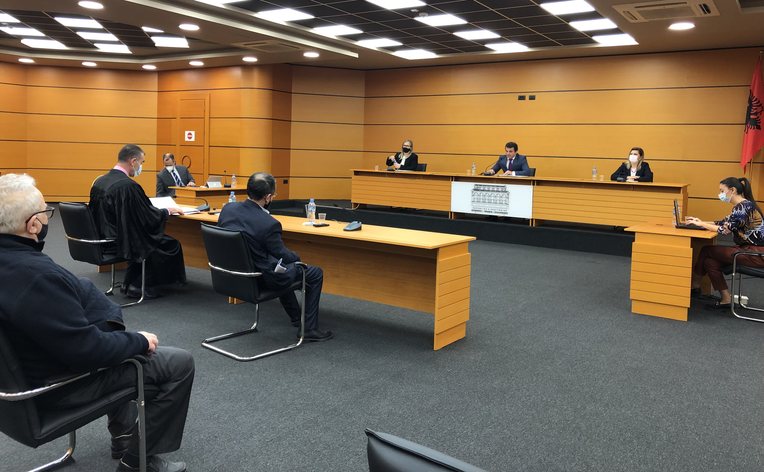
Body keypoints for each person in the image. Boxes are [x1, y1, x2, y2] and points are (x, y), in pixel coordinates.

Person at [0, 174, 194, 472]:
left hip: (20, 378)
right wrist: (139, 341)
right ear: (34, 224)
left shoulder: (19, 268)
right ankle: (135, 463)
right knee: (177, 364)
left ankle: (125, 435)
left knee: (113, 335)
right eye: (46, 211)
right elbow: (88, 351)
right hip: (52, 388)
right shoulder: (37, 277)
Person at [218, 172, 333, 342]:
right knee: (313, 272)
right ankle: (309, 329)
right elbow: (285, 255)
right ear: (268, 197)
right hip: (259, 279)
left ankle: (297, 318)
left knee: (278, 266)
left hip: (232, 276)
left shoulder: (228, 209)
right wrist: (297, 256)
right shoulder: (268, 223)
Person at [89, 144, 186, 298]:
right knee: (169, 244)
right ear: (133, 161)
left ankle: (131, 283)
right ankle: (141, 285)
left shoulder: (100, 181)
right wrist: (166, 211)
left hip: (102, 237)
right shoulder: (128, 186)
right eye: (141, 162)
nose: (141, 166)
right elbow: (146, 217)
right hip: (119, 240)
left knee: (144, 238)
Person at [686, 177, 764, 308]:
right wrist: (699, 221)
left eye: (722, 191)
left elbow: (724, 230)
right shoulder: (743, 206)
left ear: (732, 190)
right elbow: (722, 223)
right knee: (709, 262)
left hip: (756, 254)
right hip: (750, 251)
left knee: (706, 250)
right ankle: (726, 298)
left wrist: (702, 224)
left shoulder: (743, 208)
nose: (720, 194)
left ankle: (695, 286)